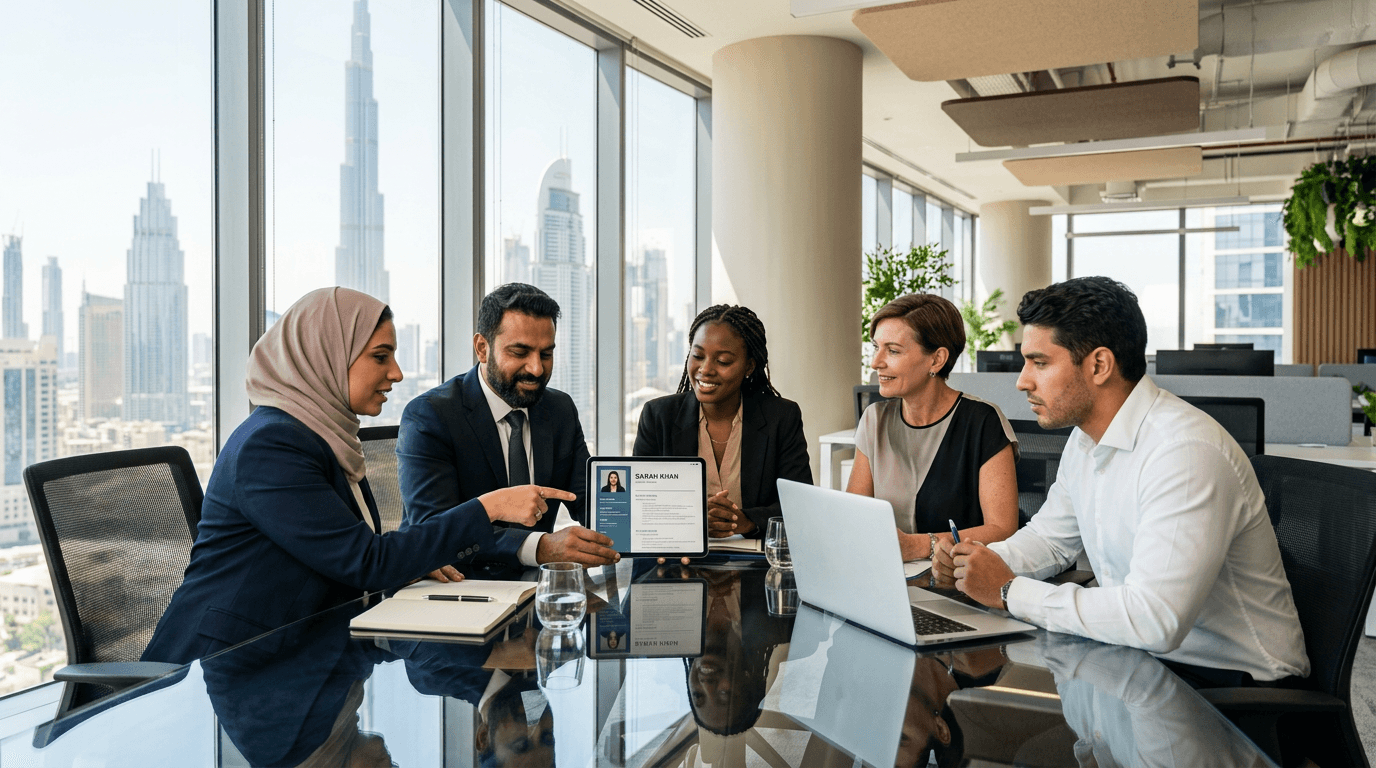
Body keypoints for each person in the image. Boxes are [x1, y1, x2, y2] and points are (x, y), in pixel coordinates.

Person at [142, 287, 558, 665]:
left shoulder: (326, 437)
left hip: (301, 657)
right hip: (218, 669)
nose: (395, 373)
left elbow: (353, 554)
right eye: (380, 357)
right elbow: (367, 562)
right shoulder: (271, 445)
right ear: (326, 355)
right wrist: (490, 506)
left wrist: (408, 562)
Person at [943, 276, 1309, 686]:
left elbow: (1155, 619)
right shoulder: (1085, 440)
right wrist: (979, 563)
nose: (1022, 380)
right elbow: (1050, 540)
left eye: (1040, 362)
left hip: (1230, 688)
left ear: (1099, 365)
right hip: (1140, 663)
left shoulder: (1183, 452)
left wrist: (1009, 591)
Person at [399, 283, 619, 579]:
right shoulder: (431, 415)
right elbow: (433, 528)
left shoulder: (559, 409)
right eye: (520, 352)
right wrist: (540, 547)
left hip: (534, 589)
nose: (537, 369)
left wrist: (660, 537)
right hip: (459, 585)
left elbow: (589, 500)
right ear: (482, 348)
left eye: (546, 354)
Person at [847, 293, 1018, 562]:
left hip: (958, 582)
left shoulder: (982, 421)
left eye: (892, 350)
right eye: (875, 347)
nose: (876, 362)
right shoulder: (874, 419)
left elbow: (1002, 529)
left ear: (936, 360)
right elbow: (854, 516)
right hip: (887, 574)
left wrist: (918, 546)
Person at [634, 305, 812, 540]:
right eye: (697, 356)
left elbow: (799, 506)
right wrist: (691, 518)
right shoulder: (658, 416)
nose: (705, 370)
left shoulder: (781, 417)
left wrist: (745, 521)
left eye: (723, 361)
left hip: (757, 563)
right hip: (677, 558)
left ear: (749, 366)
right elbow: (639, 502)